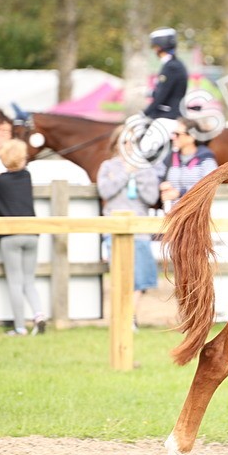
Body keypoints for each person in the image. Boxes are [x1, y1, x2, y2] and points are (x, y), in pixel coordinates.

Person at [97, 130, 161, 327]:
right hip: (114, 228)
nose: (128, 146)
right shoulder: (108, 166)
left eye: (133, 141)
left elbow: (151, 197)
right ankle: (122, 317)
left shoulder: (146, 168)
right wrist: (125, 173)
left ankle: (129, 317)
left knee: (140, 278)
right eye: (124, 141)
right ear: (116, 143)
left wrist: (137, 174)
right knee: (120, 276)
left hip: (139, 230)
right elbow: (105, 191)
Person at [0, 140, 46, 336]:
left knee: (15, 282)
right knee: (29, 280)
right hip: (32, 234)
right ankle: (39, 315)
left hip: (10, 237)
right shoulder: (27, 177)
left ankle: (20, 327)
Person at [136, 27, 188, 161]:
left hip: (168, 117)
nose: (154, 50)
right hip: (164, 113)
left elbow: (161, 97)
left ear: (160, 47)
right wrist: (149, 92)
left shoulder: (171, 67)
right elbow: (164, 91)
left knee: (143, 149)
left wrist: (144, 113)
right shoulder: (173, 64)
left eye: (155, 47)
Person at [159, 118, 218, 212]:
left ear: (191, 137)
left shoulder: (206, 160)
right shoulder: (169, 158)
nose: (173, 137)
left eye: (177, 134)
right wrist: (161, 185)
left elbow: (210, 186)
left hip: (197, 214)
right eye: (173, 133)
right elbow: (157, 176)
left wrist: (180, 193)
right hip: (173, 214)